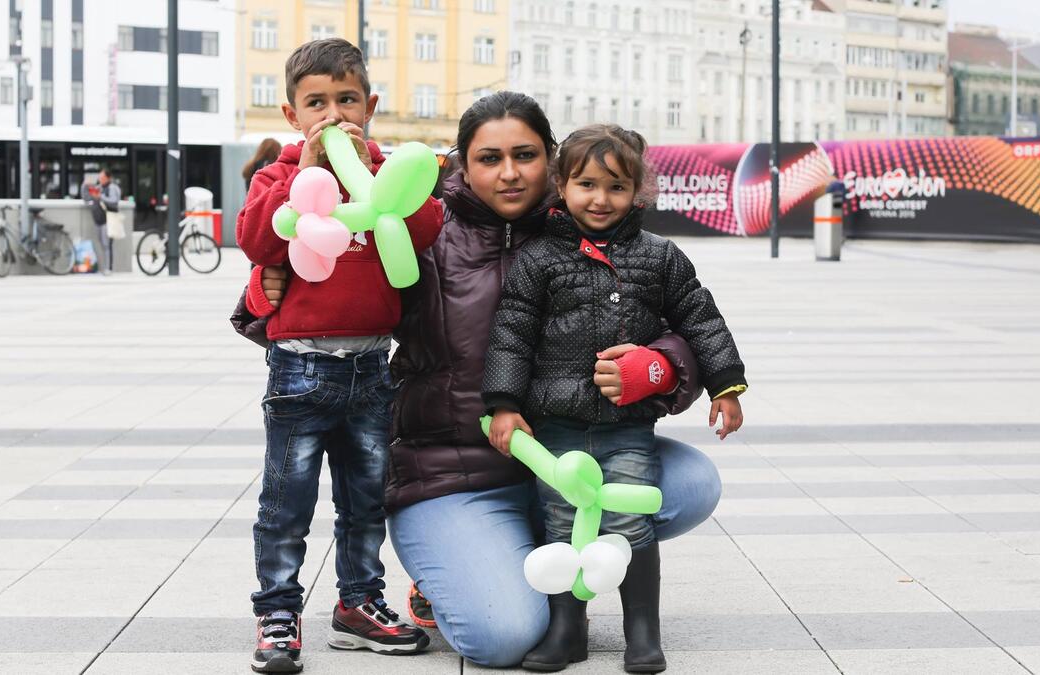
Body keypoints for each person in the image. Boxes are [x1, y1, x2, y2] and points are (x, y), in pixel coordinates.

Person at [237, 91, 725, 669]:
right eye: (490, 158)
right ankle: (450, 571)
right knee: (503, 637)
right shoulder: (423, 225)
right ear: (461, 163)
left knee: (693, 482)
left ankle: (538, 545)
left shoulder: (595, 222)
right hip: (453, 471)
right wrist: (262, 291)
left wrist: (660, 367)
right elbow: (329, 281)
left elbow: (682, 321)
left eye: (526, 155)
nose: (510, 173)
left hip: (568, 451)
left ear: (552, 157)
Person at [482, 124, 747, 673]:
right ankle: (567, 630)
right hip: (555, 426)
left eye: (616, 187)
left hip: (627, 426)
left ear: (637, 192)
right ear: (561, 184)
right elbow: (511, 332)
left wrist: (725, 385)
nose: (600, 199)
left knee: (630, 521)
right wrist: (505, 403)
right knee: (562, 523)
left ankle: (642, 633)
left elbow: (700, 317)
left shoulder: (660, 256)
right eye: (586, 184)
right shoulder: (538, 259)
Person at [235, 38, 443, 674]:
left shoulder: (386, 174)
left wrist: (371, 168)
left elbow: (426, 226)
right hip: (301, 366)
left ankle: (358, 601)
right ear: (291, 115)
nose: (332, 114)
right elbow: (252, 235)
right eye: (315, 103)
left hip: (371, 367)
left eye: (345, 100)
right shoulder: (280, 175)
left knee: (366, 498)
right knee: (286, 501)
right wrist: (308, 170)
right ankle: (277, 611)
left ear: (370, 105)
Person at [82, 168, 121, 275]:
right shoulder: (98, 188)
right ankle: (104, 267)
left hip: (108, 220)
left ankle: (108, 268)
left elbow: (114, 201)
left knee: (107, 244)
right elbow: (87, 198)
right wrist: (84, 186)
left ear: (108, 178)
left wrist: (100, 197)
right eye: (99, 177)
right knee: (102, 244)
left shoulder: (112, 188)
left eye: (102, 178)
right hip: (98, 220)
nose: (100, 179)